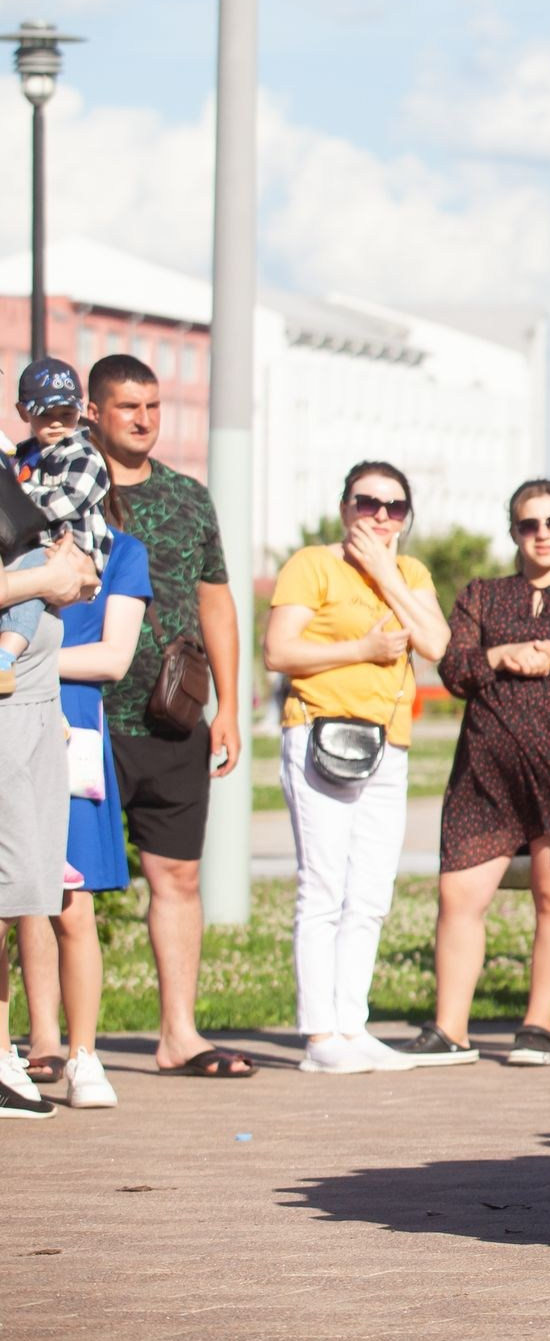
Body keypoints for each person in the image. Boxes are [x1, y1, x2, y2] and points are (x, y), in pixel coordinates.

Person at [406, 480, 550, 1068]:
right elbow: (455, 670)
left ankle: (538, 1025)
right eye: (528, 524)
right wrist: (498, 657)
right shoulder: (481, 596)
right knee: (458, 892)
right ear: (513, 531)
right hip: (486, 767)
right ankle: (449, 1030)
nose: (541, 534)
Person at [87, 354, 252, 1079]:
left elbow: (215, 598)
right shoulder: (68, 492)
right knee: (63, 886)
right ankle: (60, 1043)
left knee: (177, 877)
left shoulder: (188, 497)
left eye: (153, 406)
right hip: (83, 712)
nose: (145, 419)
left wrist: (228, 707)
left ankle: (179, 1034)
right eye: (128, 406)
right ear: (95, 412)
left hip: (173, 718)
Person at [264, 462, 451, 1074]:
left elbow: (437, 645)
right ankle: (320, 1037)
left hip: (388, 742)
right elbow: (278, 651)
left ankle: (352, 1025)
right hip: (320, 730)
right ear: (344, 506)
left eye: (395, 507)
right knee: (323, 886)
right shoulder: (311, 565)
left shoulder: (412, 572)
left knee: (371, 891)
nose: (380, 515)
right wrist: (362, 650)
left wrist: (383, 573)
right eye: (368, 502)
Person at [9, 486, 151, 1111]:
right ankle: (34, 1046)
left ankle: (83, 1054)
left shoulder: (116, 550)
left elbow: (115, 657)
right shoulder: (26, 549)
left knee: (70, 898)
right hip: (23, 711)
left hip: (67, 729)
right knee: (15, 895)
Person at [0, 533, 93, 1120]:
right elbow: (61, 580)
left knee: (18, 896)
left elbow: (85, 578)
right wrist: (40, 579)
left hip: (34, 723)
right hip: (9, 727)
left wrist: (52, 570)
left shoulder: (29, 540)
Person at [1, 358, 114, 696]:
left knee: (28, 599)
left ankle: (7, 653)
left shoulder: (84, 454)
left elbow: (67, 501)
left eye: (65, 415)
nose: (55, 424)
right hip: (34, 545)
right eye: (44, 415)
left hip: (71, 548)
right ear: (24, 413)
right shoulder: (20, 455)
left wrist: (20, 496)